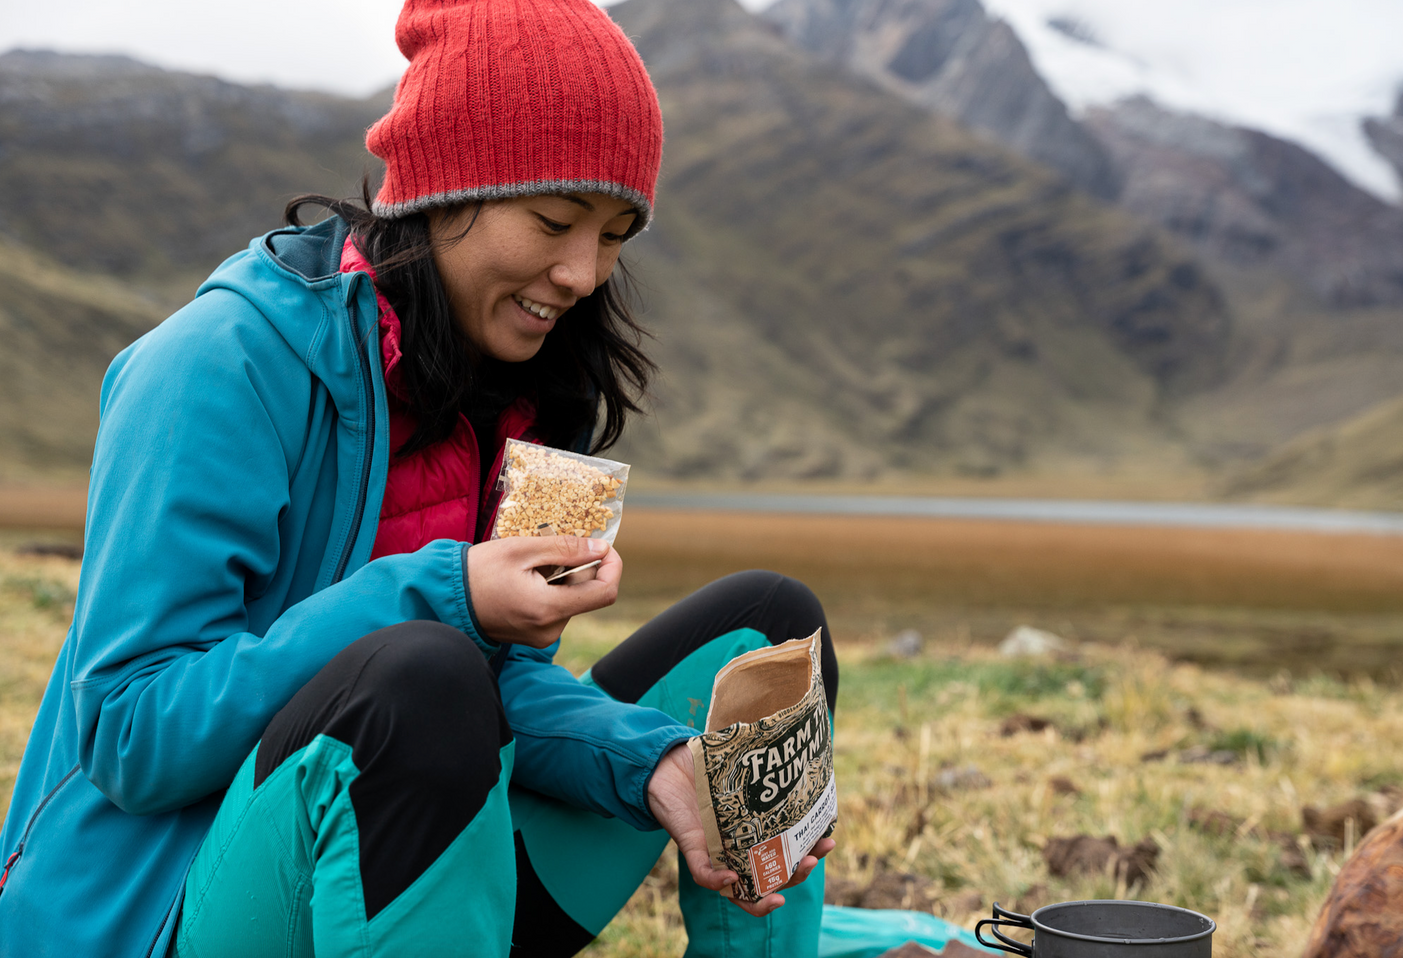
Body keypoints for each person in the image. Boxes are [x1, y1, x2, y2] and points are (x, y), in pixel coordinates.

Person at [0, 0, 839, 955]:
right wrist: (445, 596)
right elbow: (131, 736)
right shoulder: (214, 366)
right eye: (555, 219)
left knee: (767, 639)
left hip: (417, 867)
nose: (582, 274)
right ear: (442, 189)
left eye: (614, 235)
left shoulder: (516, 387)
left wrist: (649, 760)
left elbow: (490, 696)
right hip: (166, 912)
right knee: (421, 671)